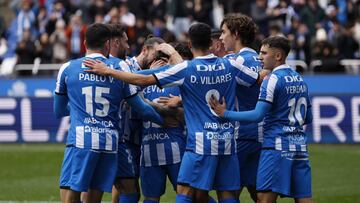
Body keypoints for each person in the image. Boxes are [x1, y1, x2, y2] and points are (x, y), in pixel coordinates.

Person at [83, 22, 264, 203]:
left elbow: (143, 80)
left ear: (190, 45)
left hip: (200, 144)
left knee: (184, 191)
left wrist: (108, 71)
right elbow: (258, 79)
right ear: (211, 42)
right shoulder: (230, 64)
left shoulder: (185, 69)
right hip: (227, 142)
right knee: (227, 194)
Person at [53, 23, 165, 203]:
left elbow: (58, 111)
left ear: (84, 43)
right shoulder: (119, 67)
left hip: (82, 140)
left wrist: (80, 109)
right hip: (110, 141)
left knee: (71, 194)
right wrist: (164, 121)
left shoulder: (68, 68)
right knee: (96, 195)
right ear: (107, 44)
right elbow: (141, 107)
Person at [209, 36, 313, 203]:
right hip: (300, 146)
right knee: (304, 198)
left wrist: (225, 113)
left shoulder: (271, 79)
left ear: (278, 56)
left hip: (276, 146)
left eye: (264, 53)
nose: (259, 58)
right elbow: (308, 117)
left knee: (264, 198)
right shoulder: (299, 78)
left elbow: (257, 115)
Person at [220, 13, 262, 202]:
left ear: (235, 34)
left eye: (223, 32)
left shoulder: (236, 62)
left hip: (242, 133)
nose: (221, 38)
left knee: (228, 192)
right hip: (262, 134)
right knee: (258, 193)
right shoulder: (260, 58)